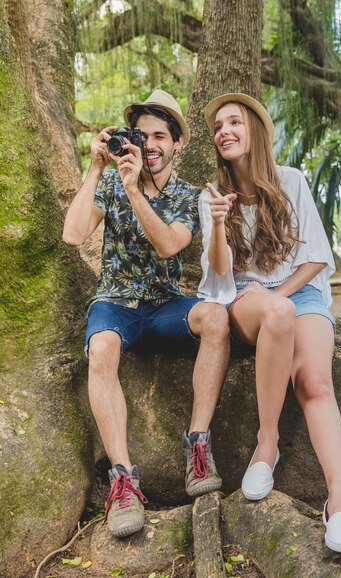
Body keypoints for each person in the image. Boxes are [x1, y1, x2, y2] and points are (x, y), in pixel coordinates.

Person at [198, 92, 341, 556]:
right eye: (218, 127)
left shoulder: (289, 181)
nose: (224, 131)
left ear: (255, 131)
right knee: (275, 311)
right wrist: (215, 224)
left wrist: (280, 291)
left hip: (298, 291)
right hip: (247, 298)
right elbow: (218, 276)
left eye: (234, 122)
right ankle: (265, 444)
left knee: (313, 379)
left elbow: (316, 258)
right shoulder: (211, 195)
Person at [63, 90, 228, 538]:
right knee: (101, 347)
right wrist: (97, 167)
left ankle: (197, 445)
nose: (150, 144)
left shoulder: (189, 195)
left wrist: (136, 190)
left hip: (167, 304)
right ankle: (123, 481)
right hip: (116, 301)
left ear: (178, 143)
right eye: (141, 135)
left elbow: (170, 244)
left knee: (216, 317)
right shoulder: (113, 181)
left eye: (160, 136)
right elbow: (73, 234)